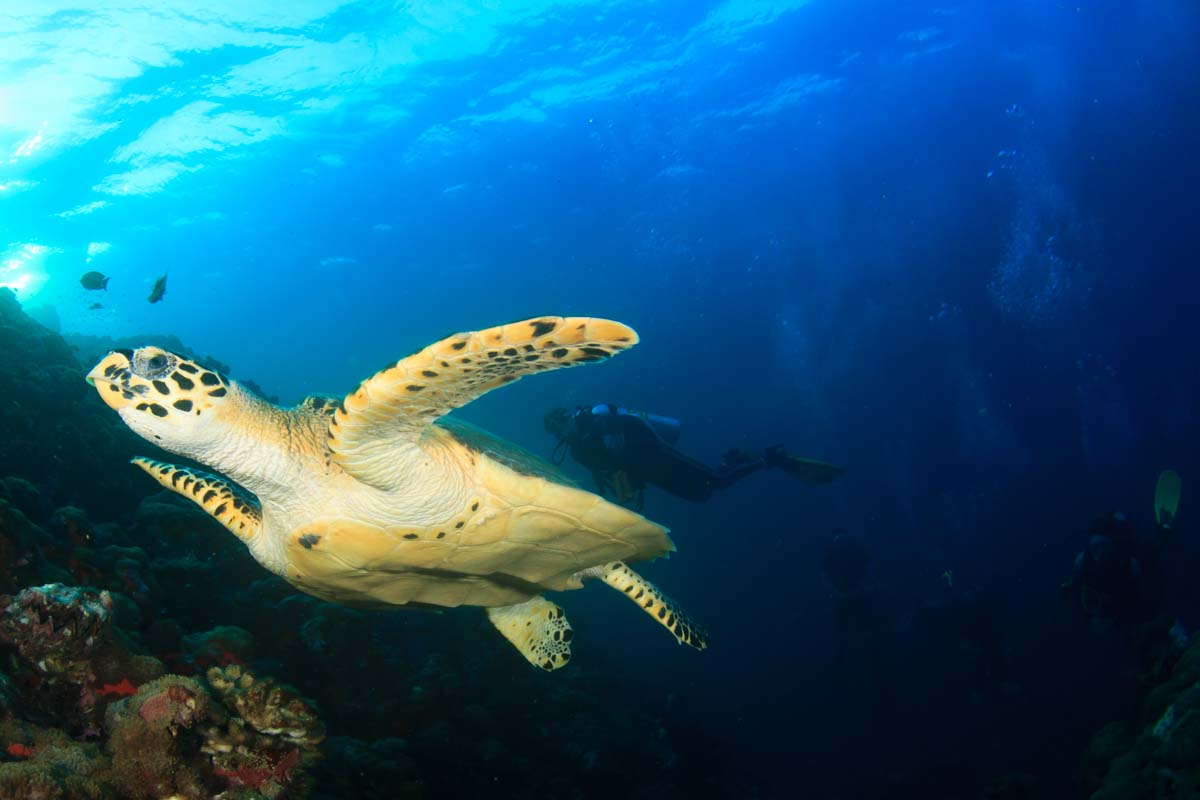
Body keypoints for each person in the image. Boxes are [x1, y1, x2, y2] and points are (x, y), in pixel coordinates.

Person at [543, 403, 842, 510]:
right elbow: (605, 473)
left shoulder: (595, 421)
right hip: (646, 472)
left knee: (719, 482)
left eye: (562, 419)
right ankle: (736, 458)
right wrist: (627, 487)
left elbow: (633, 430)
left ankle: (771, 458)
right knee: (702, 495)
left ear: (568, 415)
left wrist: (640, 453)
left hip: (657, 455)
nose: (562, 427)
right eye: (556, 427)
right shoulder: (578, 450)